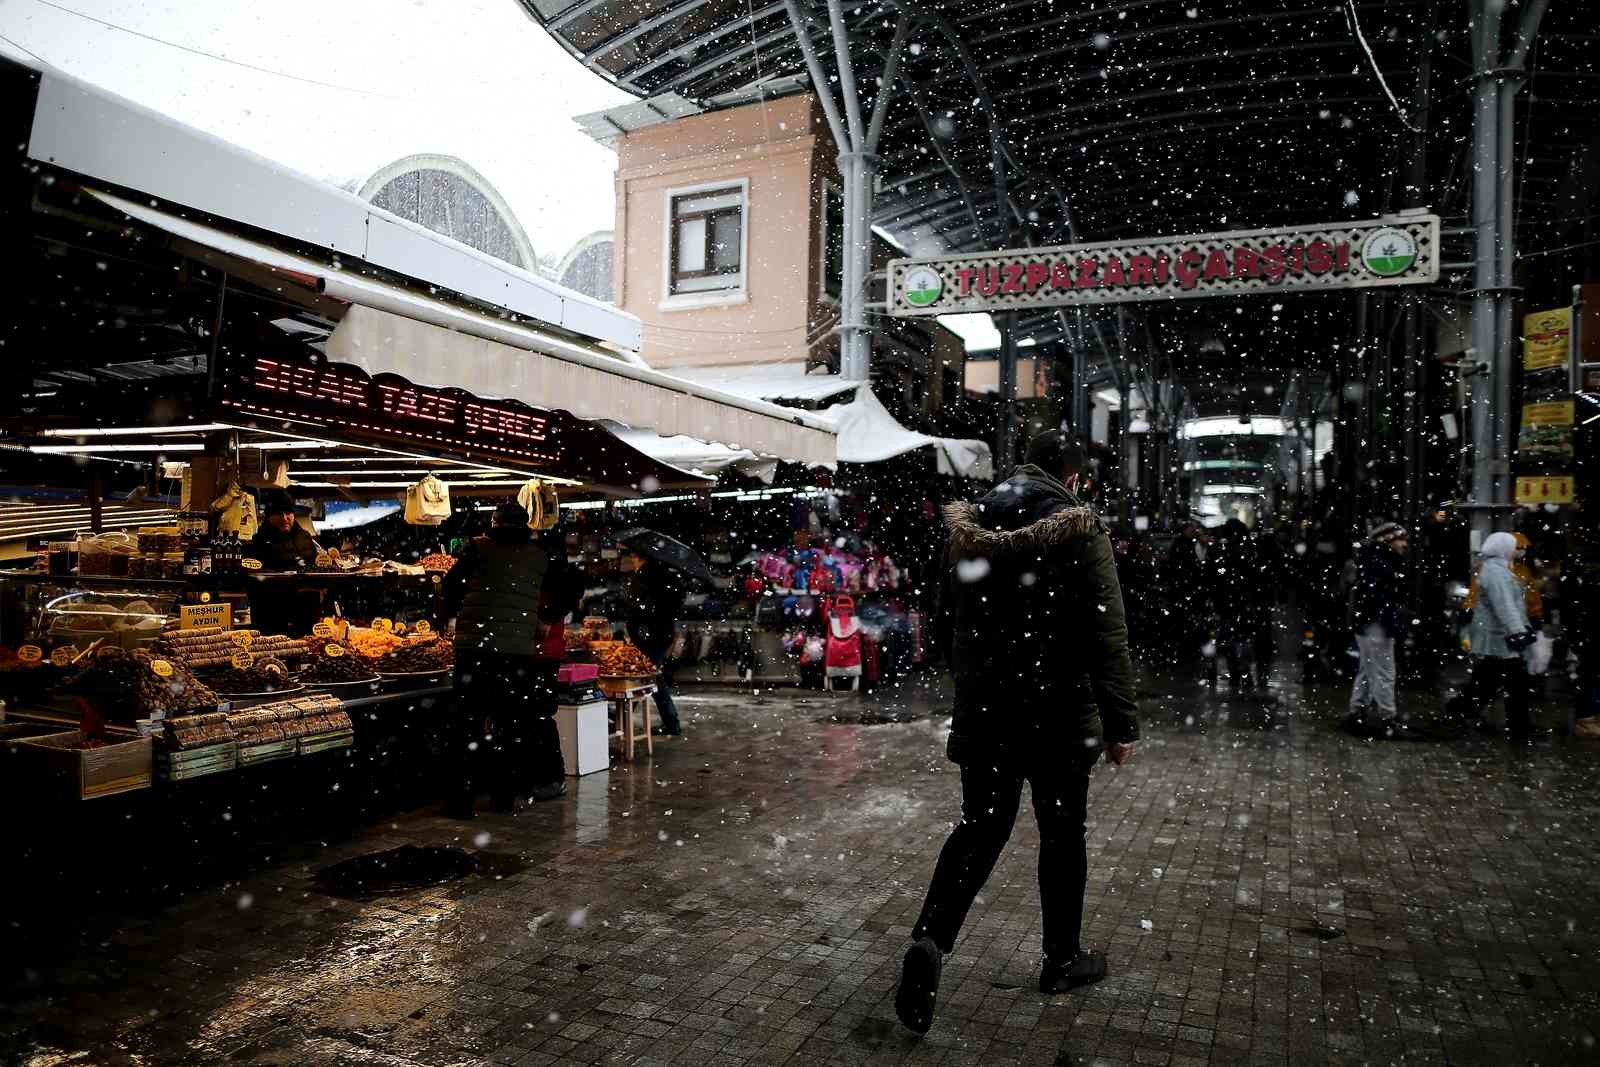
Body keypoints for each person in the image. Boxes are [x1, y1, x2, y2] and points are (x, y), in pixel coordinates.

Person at [896, 430, 1140, 1035]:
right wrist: (1120, 723)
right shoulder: (1081, 530)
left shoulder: (968, 527)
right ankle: (1060, 959)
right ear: (1074, 478)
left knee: (981, 827)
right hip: (1058, 714)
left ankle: (930, 939)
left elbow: (942, 615)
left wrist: (977, 682)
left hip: (988, 713)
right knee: (1061, 835)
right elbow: (1106, 633)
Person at [441, 502, 572, 816]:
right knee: (510, 725)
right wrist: (546, 620)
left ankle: (461, 802)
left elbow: (450, 586)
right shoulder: (540, 555)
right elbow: (569, 589)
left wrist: (447, 617)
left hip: (474, 651)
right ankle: (503, 796)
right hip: (516, 655)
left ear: (495, 522)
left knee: (467, 725)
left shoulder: (477, 548)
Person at [1460, 532, 1539, 739]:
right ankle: (1518, 727)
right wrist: (1518, 631)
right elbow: (1505, 606)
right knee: (1512, 681)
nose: (1517, 551)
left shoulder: (1498, 569)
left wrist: (1522, 627)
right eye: (1513, 546)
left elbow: (1511, 606)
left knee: (1490, 678)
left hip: (1499, 638)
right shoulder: (1497, 573)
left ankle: (1464, 708)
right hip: (1500, 638)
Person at [1347, 522, 1410, 735]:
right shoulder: (1382, 564)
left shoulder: (1371, 560)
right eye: (1400, 538)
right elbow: (1381, 600)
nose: (1404, 544)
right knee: (1384, 671)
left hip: (1368, 624)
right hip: (1376, 626)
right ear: (1388, 540)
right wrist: (1392, 624)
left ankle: (1358, 710)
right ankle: (1387, 717)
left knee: (1367, 669)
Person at [623, 554, 686, 736]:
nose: (632, 559)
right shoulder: (665, 576)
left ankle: (671, 723)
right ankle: (625, 715)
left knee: (649, 676)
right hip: (660, 632)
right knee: (646, 675)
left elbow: (637, 607)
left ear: (640, 557)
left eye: (634, 556)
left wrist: (638, 625)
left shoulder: (644, 577)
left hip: (649, 633)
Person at [250, 489, 318, 570]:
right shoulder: (259, 541)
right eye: (278, 514)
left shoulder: (305, 536)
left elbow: (316, 563)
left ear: (293, 515)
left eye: (288, 513)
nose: (284, 518)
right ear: (268, 517)